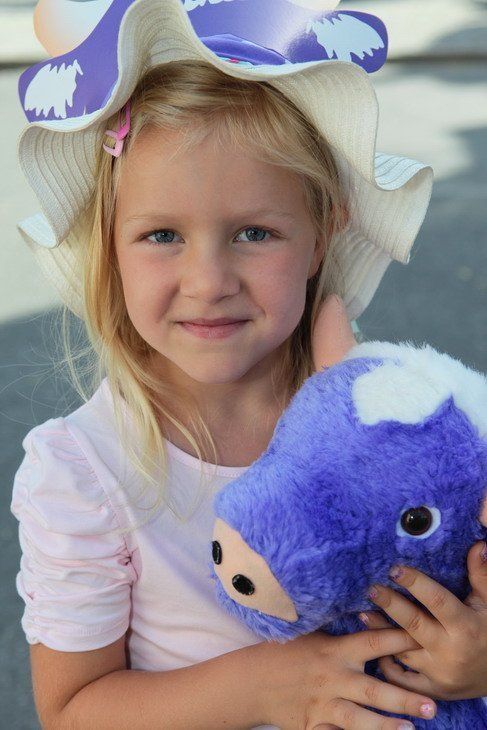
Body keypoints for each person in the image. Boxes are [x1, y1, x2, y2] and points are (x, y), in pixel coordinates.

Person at [10, 1, 487, 728]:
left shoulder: (385, 414)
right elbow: (72, 709)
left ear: (322, 232)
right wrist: (266, 687)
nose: (209, 281)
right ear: (108, 243)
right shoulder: (84, 469)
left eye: (255, 233)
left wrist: (473, 662)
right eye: (162, 234)